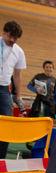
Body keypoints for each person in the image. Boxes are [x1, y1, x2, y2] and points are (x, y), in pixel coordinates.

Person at [0, 20, 26, 158]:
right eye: (11, 36)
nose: (13, 40)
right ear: (4, 32)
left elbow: (17, 75)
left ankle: (1, 161)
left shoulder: (19, 52)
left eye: (16, 38)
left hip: (4, 90)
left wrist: (18, 96)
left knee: (6, 125)